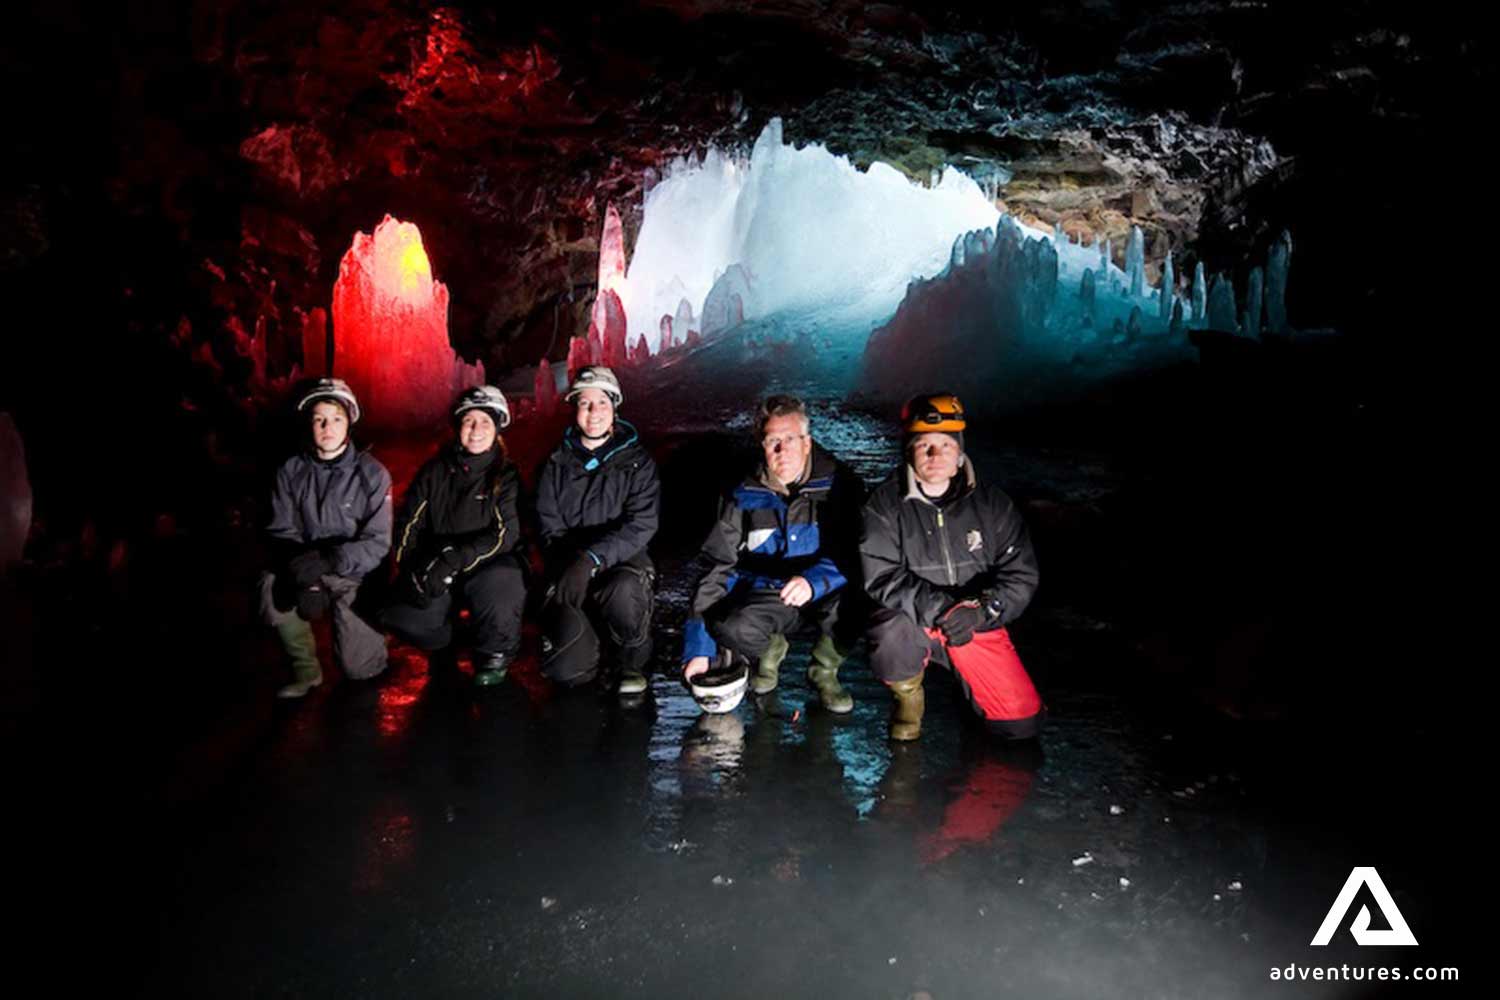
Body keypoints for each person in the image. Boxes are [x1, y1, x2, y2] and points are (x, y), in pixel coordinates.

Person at [860, 392, 1043, 741]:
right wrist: (943, 609)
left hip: (972, 620)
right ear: (908, 451)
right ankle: (908, 700)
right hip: (915, 619)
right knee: (889, 633)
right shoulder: (883, 504)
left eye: (945, 444)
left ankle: (968, 684)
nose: (935, 455)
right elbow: (881, 573)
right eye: (923, 444)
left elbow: (1020, 574)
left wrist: (984, 610)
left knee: (1020, 726)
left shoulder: (993, 505)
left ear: (960, 453)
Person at [681, 394, 864, 714]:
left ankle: (825, 670)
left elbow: (857, 551)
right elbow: (716, 564)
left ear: (807, 443)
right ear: (761, 445)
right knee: (730, 625)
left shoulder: (842, 484)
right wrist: (699, 649)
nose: (782, 450)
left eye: (790, 439)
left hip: (828, 593)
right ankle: (770, 648)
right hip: (769, 596)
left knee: (868, 598)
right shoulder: (741, 492)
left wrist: (815, 581)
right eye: (772, 441)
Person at [381, 385, 525, 687]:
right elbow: (409, 524)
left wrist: (455, 558)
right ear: (458, 426)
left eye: (485, 422)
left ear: (497, 427)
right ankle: (441, 642)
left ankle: (494, 654)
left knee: (502, 587)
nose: (476, 430)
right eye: (469, 421)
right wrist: (410, 568)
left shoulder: (505, 476)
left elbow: (505, 533)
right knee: (402, 614)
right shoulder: (435, 472)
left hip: (487, 564)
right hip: (439, 563)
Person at [259, 378, 393, 698]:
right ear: (309, 424)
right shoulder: (290, 471)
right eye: (319, 419)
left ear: (349, 423)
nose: (327, 427)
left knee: (360, 670)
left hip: (353, 574)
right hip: (307, 565)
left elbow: (377, 542)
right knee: (268, 587)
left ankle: (373, 635)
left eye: (335, 418)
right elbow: (281, 529)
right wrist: (303, 574)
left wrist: (332, 560)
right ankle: (305, 670)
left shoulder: (372, 474)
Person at [535, 366, 660, 696]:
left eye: (602, 403)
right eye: (585, 404)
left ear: (614, 407)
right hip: (570, 565)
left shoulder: (637, 463)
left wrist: (591, 558)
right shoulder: (555, 463)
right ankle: (586, 647)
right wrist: (568, 565)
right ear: (574, 407)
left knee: (622, 591)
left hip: (622, 562)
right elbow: (549, 524)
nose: (594, 413)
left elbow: (641, 523)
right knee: (566, 670)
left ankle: (631, 657)